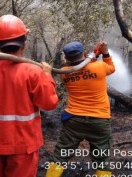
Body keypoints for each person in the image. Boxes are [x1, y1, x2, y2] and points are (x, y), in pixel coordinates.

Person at [0, 14, 59, 177]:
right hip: (23, 147)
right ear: (23, 43)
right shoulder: (34, 72)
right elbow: (49, 103)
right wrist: (47, 75)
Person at [45, 41, 115, 177]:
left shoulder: (64, 72)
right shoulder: (100, 66)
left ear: (66, 58)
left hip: (74, 121)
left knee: (60, 155)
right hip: (99, 121)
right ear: (83, 53)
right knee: (102, 159)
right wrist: (105, 53)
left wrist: (94, 55)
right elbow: (111, 68)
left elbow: (83, 69)